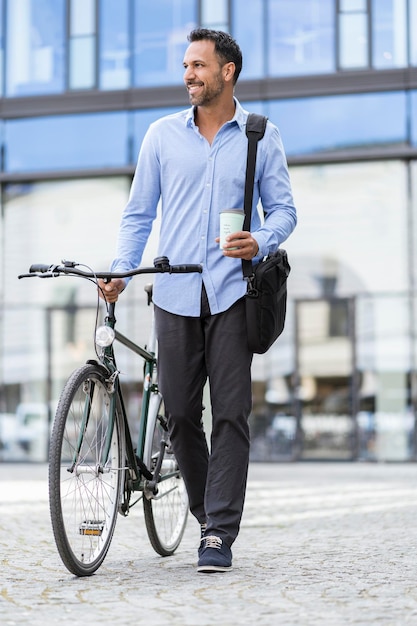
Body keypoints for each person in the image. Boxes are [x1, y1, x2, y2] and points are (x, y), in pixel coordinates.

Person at [99, 28, 297, 573]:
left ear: (227, 71)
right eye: (186, 66)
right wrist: (120, 270)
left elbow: (284, 211)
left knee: (230, 415)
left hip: (234, 293)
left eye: (198, 65)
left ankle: (218, 533)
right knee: (182, 414)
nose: (189, 74)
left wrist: (261, 239)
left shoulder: (260, 135)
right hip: (176, 292)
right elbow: (138, 215)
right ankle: (204, 510)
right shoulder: (162, 135)